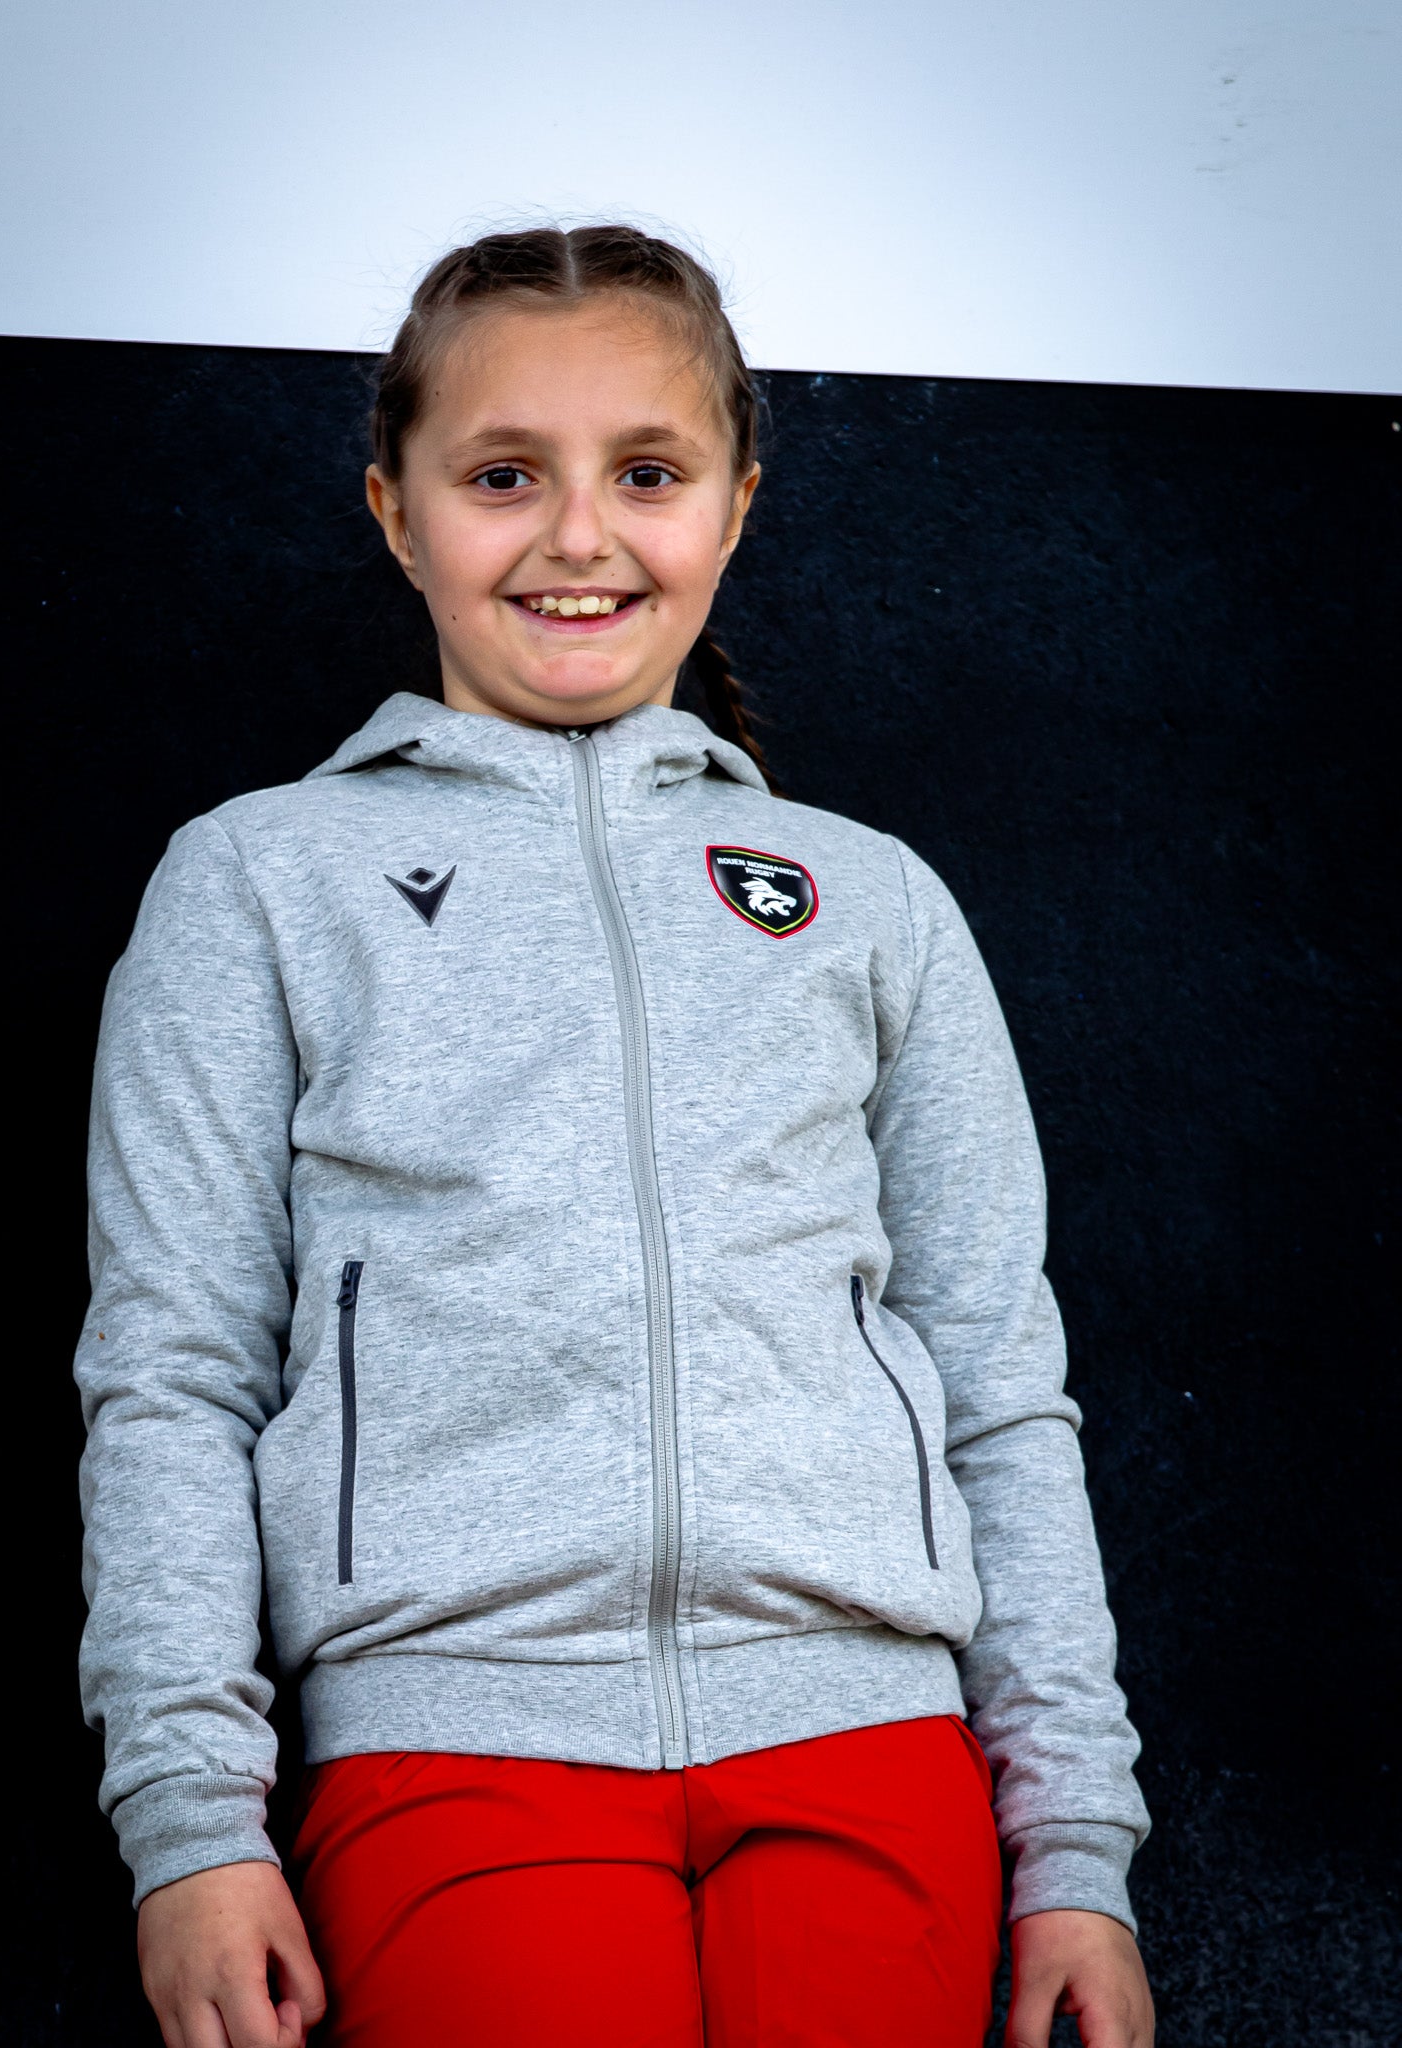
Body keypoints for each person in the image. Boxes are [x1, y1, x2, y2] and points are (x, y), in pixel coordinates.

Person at [77, 225, 1154, 2048]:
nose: (578, 534)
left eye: (645, 474)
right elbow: (173, 1375)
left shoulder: (868, 901)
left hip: (874, 1752)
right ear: (397, 512)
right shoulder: (257, 880)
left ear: (733, 510)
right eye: (504, 476)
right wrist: (190, 1822)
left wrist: (1073, 1851)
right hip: (450, 1745)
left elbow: (995, 1380)